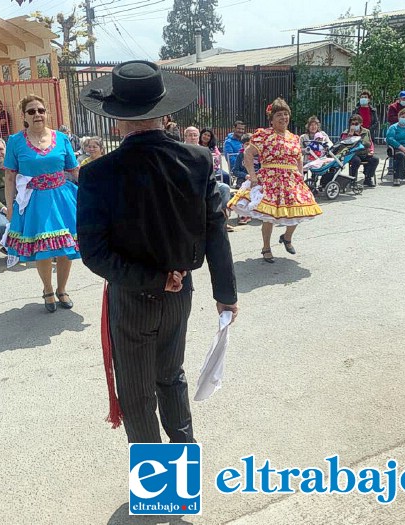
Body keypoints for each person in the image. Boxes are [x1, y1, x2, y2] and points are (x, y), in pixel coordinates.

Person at [77, 60, 238, 443]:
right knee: (170, 376)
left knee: (136, 393)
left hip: (134, 294)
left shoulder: (98, 174)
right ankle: (182, 471)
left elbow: (94, 253)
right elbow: (216, 229)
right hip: (181, 291)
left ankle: (161, 494)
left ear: (118, 120)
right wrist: (226, 295)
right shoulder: (197, 159)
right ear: (163, 113)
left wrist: (155, 279)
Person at [3, 94, 80, 312]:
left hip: (62, 198)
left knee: (65, 248)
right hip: (34, 200)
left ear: (46, 113)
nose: (37, 114)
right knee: (44, 249)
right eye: (31, 111)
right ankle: (47, 289)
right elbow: (10, 177)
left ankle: (62, 289)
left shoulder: (61, 138)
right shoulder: (15, 141)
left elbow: (73, 170)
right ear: (24, 116)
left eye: (41, 110)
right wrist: (10, 207)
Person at [229, 98, 323, 263]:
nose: (283, 117)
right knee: (269, 216)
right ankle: (266, 247)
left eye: (286, 114)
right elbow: (248, 154)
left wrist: (300, 175)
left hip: (291, 180)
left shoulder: (294, 138)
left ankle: (287, 237)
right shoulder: (264, 135)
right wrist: (253, 175)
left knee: (299, 210)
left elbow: (299, 157)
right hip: (271, 180)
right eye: (279, 114)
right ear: (271, 119)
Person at [341, 114, 379, 187]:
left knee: (375, 160)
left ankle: (368, 178)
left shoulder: (366, 131)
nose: (354, 125)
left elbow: (370, 143)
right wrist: (350, 135)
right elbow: (344, 145)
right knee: (356, 161)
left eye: (356, 124)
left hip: (365, 152)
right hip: (353, 154)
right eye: (352, 124)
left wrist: (371, 151)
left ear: (361, 123)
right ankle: (353, 180)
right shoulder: (346, 133)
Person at [231, 133, 255, 225]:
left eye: (251, 144)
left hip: (257, 179)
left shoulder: (258, 156)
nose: (249, 147)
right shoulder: (240, 155)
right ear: (243, 145)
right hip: (243, 179)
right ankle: (244, 215)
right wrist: (245, 175)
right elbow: (235, 171)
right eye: (246, 144)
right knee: (245, 190)